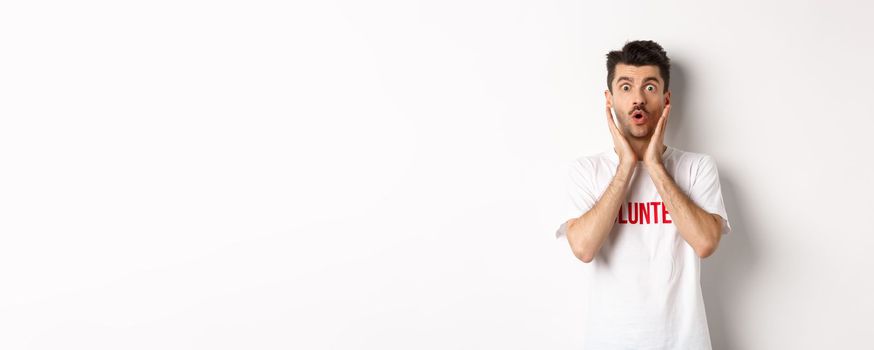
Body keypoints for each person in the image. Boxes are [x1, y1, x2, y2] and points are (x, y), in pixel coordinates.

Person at [555, 40, 732, 349]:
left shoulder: (697, 167)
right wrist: (626, 166)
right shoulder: (586, 171)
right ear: (609, 99)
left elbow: (705, 243)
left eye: (649, 88)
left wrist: (653, 165)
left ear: (666, 99)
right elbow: (583, 248)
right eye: (625, 87)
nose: (637, 98)